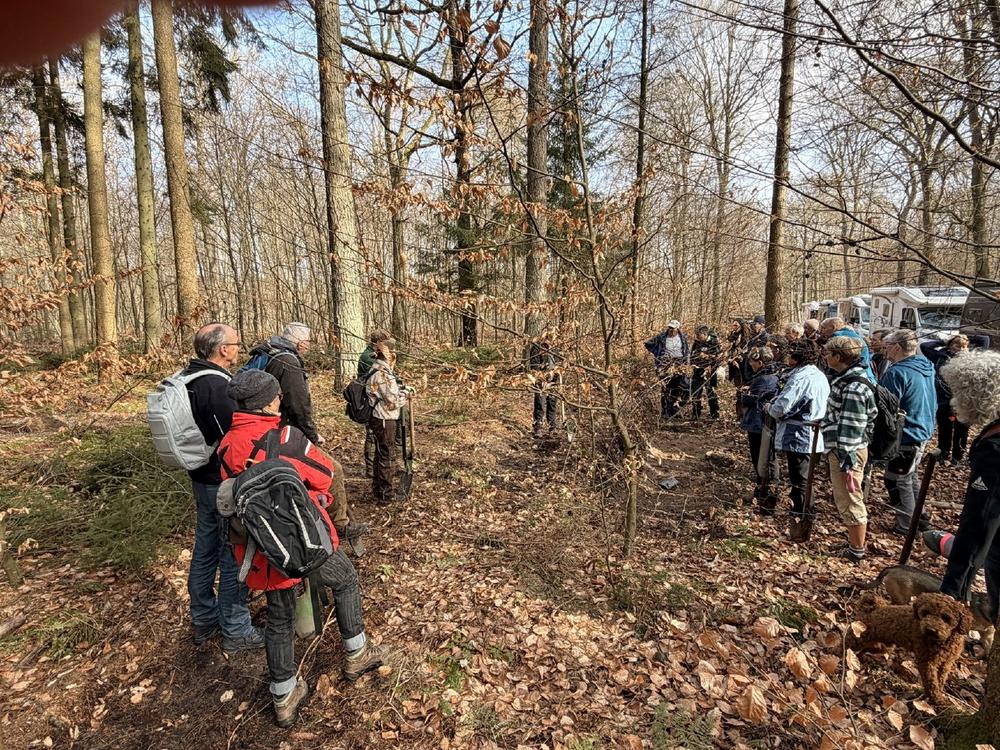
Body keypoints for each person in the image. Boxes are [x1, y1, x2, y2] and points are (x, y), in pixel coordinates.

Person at [218, 370, 387, 728]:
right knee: (346, 579)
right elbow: (325, 475)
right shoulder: (287, 438)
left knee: (279, 618)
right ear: (266, 403)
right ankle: (356, 653)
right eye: (277, 395)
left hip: (263, 550)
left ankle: (283, 695)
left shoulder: (227, 445)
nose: (280, 400)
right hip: (304, 541)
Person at [180, 323, 263, 653]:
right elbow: (235, 439)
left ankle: (203, 618)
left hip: (201, 478)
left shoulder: (189, 378)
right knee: (233, 554)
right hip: (222, 484)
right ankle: (236, 629)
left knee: (205, 549)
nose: (239, 348)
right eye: (236, 343)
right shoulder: (216, 385)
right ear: (223, 349)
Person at [254, 323, 367, 548]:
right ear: (300, 343)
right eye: (307, 342)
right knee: (332, 469)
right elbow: (299, 406)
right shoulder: (288, 362)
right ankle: (339, 525)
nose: (308, 346)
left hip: (271, 431)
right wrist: (312, 436)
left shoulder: (271, 355)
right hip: (284, 433)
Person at [938, 350, 1000, 631]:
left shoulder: (995, 449)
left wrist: (953, 590)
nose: (954, 401)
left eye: (959, 393)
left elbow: (980, 521)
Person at [821, 336, 879, 563]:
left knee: (850, 499)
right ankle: (854, 543)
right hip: (843, 450)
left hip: (848, 453)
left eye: (828, 354)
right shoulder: (844, 379)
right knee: (845, 499)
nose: (825, 357)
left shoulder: (854, 387)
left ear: (838, 357)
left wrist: (847, 463)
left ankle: (857, 550)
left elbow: (851, 429)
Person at [880, 329, 938, 535]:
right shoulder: (926, 366)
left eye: (887, 346)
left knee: (900, 479)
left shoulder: (897, 373)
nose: (884, 350)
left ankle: (906, 525)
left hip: (906, 432)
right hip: (923, 427)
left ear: (897, 347)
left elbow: (885, 406)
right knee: (910, 476)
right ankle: (920, 517)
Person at [767, 339, 830, 519]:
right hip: (811, 433)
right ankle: (800, 512)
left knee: (801, 479)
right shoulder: (818, 375)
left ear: (796, 357)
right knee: (801, 477)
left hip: (800, 434)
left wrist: (770, 408)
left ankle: (804, 515)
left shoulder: (801, 378)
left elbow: (782, 406)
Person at [739, 346, 782, 513]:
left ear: (761, 362)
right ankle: (761, 491)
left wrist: (745, 395)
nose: (751, 364)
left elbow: (753, 400)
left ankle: (767, 496)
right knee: (763, 458)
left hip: (760, 424)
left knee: (763, 459)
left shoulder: (764, 379)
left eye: (753, 361)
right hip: (762, 423)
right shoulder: (772, 375)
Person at [368, 340, 408, 504]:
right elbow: (392, 400)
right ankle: (386, 494)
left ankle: (378, 489)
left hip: (381, 417)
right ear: (389, 354)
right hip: (384, 417)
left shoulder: (380, 369)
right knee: (386, 454)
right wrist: (405, 394)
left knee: (381, 452)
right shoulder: (381, 373)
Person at [923, 335, 970, 467]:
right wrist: (944, 341)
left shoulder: (970, 359)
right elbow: (925, 346)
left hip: (963, 401)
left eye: (964, 346)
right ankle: (943, 453)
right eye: (957, 345)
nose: (960, 349)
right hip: (944, 400)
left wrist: (965, 338)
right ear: (950, 346)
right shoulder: (941, 357)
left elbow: (984, 340)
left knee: (961, 430)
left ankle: (957, 457)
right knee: (944, 428)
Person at [358, 329, 394, 478]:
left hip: (377, 400)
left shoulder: (372, 355)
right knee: (372, 436)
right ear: (379, 343)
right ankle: (371, 469)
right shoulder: (368, 357)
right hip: (371, 402)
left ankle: (376, 469)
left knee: (377, 437)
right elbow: (380, 378)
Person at [644, 321, 689, 419]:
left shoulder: (683, 337)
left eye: (673, 328)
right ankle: (665, 412)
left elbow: (686, 350)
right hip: (665, 364)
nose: (671, 330)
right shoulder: (661, 337)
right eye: (669, 327)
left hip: (679, 364)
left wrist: (686, 362)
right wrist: (657, 353)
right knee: (666, 387)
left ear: (677, 328)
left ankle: (675, 410)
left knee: (679, 387)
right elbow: (648, 344)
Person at [819, 317, 876, 381]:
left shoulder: (837, 336)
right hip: (866, 374)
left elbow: (837, 361)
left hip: (852, 377)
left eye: (824, 328)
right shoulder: (855, 335)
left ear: (833, 327)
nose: (821, 331)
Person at [529, 334, 561, 437]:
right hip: (540, 379)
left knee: (552, 402)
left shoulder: (556, 348)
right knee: (540, 402)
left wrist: (556, 378)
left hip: (553, 380)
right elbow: (534, 365)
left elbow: (559, 363)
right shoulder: (537, 347)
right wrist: (540, 379)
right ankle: (538, 427)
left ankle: (552, 426)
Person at [690, 326, 721, 420]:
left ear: (705, 334)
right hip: (697, 370)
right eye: (697, 335)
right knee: (695, 392)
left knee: (711, 392)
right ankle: (695, 413)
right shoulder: (697, 342)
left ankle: (715, 414)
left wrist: (707, 357)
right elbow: (692, 354)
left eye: (699, 336)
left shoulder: (714, 342)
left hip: (710, 371)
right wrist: (693, 363)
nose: (698, 337)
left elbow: (718, 358)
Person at [726, 319, 751, 387]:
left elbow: (745, 350)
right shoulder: (733, 334)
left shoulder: (746, 336)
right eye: (733, 325)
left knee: (741, 378)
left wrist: (738, 357)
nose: (734, 327)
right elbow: (729, 347)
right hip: (732, 359)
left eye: (736, 325)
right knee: (734, 378)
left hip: (742, 360)